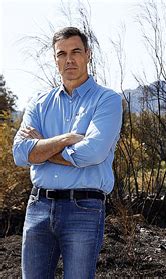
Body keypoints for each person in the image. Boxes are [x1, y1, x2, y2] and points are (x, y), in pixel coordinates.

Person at [12, 26, 122, 279]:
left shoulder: (107, 100)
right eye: (62, 53)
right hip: (38, 205)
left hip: (83, 207)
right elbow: (19, 153)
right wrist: (66, 140)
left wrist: (42, 149)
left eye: (76, 51)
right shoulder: (39, 102)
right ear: (55, 59)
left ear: (88, 54)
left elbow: (92, 153)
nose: (69, 59)